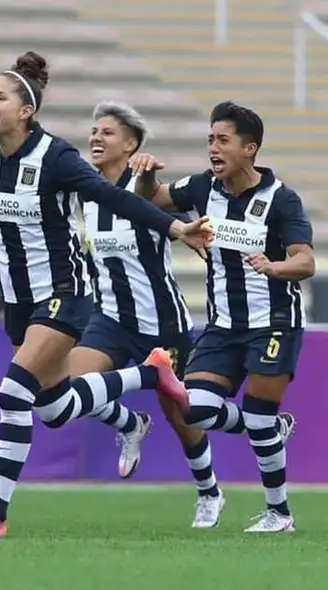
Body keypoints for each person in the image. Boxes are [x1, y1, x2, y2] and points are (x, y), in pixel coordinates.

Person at [0, 51, 213, 539]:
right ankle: (141, 395)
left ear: (25, 110)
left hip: (64, 294)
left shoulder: (57, 158)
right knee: (53, 408)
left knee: (12, 393)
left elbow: (117, 198)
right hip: (18, 303)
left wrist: (176, 227)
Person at [132, 101, 309, 533]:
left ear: (250, 148)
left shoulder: (280, 200)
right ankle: (269, 428)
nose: (213, 147)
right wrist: (148, 173)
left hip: (274, 324)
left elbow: (305, 263)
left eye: (223, 140)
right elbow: (150, 199)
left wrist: (274, 267)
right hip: (224, 327)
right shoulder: (201, 188)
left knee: (258, 414)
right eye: (210, 138)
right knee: (195, 409)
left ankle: (278, 514)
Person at [75, 100, 232, 528]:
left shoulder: (144, 188)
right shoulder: (84, 192)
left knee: (182, 417)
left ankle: (209, 492)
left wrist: (149, 175)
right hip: (110, 318)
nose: (95, 138)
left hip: (163, 323)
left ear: (131, 144)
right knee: (70, 389)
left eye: (107, 132)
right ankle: (130, 424)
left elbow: (175, 213)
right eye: (93, 131)